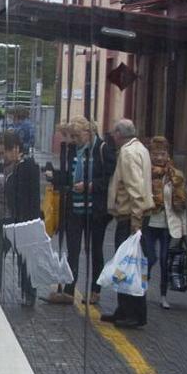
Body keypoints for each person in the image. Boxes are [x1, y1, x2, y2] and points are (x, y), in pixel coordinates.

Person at [46, 116, 116, 305]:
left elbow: (110, 178)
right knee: (73, 250)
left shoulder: (101, 150)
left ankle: (95, 289)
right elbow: (69, 176)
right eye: (71, 136)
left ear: (88, 132)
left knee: (95, 250)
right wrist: (55, 176)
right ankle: (69, 290)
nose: (73, 140)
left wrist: (89, 186)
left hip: (95, 210)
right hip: (74, 209)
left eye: (76, 136)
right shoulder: (72, 151)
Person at [100, 119, 154, 327]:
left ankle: (133, 313)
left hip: (131, 217)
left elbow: (135, 188)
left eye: (114, 133)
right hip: (135, 216)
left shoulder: (128, 153)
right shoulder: (140, 148)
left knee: (128, 266)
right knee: (130, 264)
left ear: (119, 134)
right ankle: (124, 309)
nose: (112, 136)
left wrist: (136, 221)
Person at [0, 130, 40, 305]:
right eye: (0, 153)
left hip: (20, 220)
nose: (2, 157)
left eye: (4, 153)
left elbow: (27, 196)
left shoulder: (28, 166)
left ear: (16, 148)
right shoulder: (5, 166)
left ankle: (29, 293)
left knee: (24, 258)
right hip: (2, 218)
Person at [142, 136, 187, 311]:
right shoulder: (145, 174)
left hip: (168, 225)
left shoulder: (175, 176)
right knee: (150, 258)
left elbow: (182, 204)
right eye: (155, 154)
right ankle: (142, 289)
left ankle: (163, 296)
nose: (159, 158)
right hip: (150, 223)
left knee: (164, 260)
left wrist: (183, 229)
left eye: (162, 154)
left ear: (167, 154)